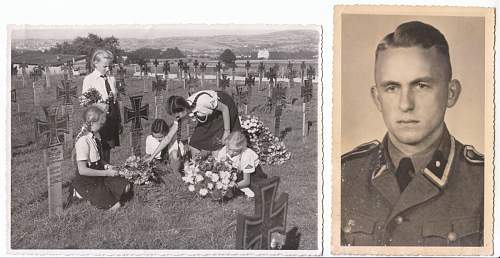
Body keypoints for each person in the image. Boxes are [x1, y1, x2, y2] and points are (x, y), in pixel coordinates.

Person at [341, 21, 484, 246]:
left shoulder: (484, 182)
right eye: (391, 87)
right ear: (377, 98)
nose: (406, 104)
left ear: (451, 93)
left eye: (421, 86)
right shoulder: (344, 175)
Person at [146, 90, 241, 160]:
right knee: (194, 143)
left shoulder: (203, 101)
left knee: (219, 144)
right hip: (208, 115)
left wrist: (226, 131)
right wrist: (152, 157)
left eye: (178, 115)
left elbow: (224, 108)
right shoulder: (182, 113)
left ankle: (220, 168)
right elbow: (168, 138)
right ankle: (197, 168)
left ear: (183, 108)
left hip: (224, 109)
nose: (177, 118)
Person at [69, 105, 131, 211]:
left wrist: (108, 166)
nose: (103, 125)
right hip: (87, 181)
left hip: (98, 177)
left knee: (126, 187)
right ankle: (79, 193)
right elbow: (83, 170)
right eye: (101, 123)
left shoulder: (95, 138)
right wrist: (106, 173)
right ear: (92, 122)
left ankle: (102, 193)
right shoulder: (83, 141)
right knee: (116, 206)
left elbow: (98, 160)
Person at [82, 49, 122, 163]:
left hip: (111, 119)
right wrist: (98, 105)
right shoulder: (89, 80)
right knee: (96, 150)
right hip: (97, 120)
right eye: (105, 66)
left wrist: (119, 121)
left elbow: (115, 101)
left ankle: (105, 175)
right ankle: (97, 175)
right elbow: (84, 102)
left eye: (109, 66)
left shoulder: (111, 79)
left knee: (107, 148)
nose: (108, 69)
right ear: (95, 63)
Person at [215, 131, 267, 198]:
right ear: (227, 145)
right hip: (233, 170)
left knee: (257, 189)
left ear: (241, 148)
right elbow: (219, 167)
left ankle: (240, 190)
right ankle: (237, 188)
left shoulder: (247, 156)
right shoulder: (224, 151)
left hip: (251, 174)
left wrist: (230, 187)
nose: (231, 153)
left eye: (235, 151)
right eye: (229, 149)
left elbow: (246, 181)